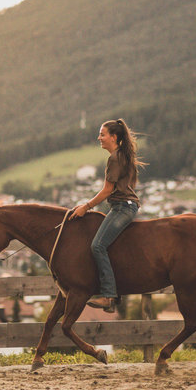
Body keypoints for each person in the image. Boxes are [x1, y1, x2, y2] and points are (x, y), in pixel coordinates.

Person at [69, 118, 144, 312]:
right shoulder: (122, 156)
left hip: (122, 208)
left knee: (98, 246)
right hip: (121, 206)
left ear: (114, 137)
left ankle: (109, 296)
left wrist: (86, 207)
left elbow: (107, 191)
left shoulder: (115, 158)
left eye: (102, 134)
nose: (99, 137)